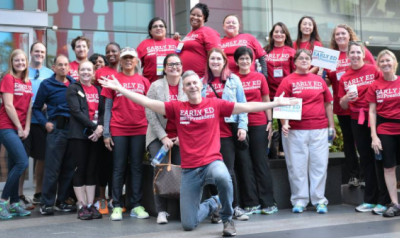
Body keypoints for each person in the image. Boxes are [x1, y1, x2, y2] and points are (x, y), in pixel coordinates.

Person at [98, 70, 296, 237]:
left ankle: (227, 220)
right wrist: (120, 89)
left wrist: (275, 103)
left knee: (223, 177)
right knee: (188, 224)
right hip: (190, 170)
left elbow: (246, 106)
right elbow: (148, 103)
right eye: (188, 84)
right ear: (183, 89)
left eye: (195, 83)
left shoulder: (214, 104)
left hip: (211, 162)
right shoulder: (177, 107)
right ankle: (213, 203)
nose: (192, 86)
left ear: (200, 85)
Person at [276, 49, 335, 214]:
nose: (304, 60)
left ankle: (319, 201)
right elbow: (281, 103)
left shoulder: (319, 80)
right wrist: (284, 123)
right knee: (297, 167)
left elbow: (327, 104)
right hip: (296, 131)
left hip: (320, 129)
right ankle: (299, 200)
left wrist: (331, 126)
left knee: (319, 166)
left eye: (307, 58)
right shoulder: (287, 81)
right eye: (300, 58)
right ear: (295, 62)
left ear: (311, 61)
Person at [338, 42, 390, 215]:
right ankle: (370, 200)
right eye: (351, 53)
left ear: (363, 54)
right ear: (348, 56)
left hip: (378, 117)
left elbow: (385, 86)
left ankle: (384, 200)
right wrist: (345, 97)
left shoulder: (373, 70)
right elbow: (342, 105)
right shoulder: (345, 77)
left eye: (357, 52)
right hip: (357, 119)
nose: (354, 55)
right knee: (366, 159)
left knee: (380, 157)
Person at [101, 47, 150, 221]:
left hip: (140, 129)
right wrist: (106, 133)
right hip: (118, 129)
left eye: (131, 58)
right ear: (120, 61)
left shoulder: (144, 81)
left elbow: (149, 107)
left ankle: (136, 205)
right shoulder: (112, 80)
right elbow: (107, 107)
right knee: (118, 167)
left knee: (137, 167)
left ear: (136, 61)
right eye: (125, 58)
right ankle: (117, 205)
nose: (128, 60)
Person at [202, 48, 249, 221]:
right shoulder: (201, 82)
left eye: (218, 59)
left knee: (228, 172)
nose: (215, 61)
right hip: (208, 135)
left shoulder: (233, 79)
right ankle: (219, 207)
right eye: (212, 58)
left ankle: (234, 206)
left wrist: (242, 126)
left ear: (223, 61)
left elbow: (242, 105)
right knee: (212, 173)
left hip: (227, 132)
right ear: (208, 61)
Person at [327, 24, 375, 188]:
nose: (340, 36)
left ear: (350, 35)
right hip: (343, 105)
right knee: (349, 141)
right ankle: (354, 176)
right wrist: (320, 74)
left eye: (343, 33)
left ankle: (369, 175)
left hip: (365, 107)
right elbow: (327, 81)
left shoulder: (359, 49)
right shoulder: (330, 55)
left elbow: (374, 72)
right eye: (337, 34)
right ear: (334, 38)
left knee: (366, 141)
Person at [233, 46, 277, 215]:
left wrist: (270, 121)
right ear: (236, 61)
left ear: (252, 61)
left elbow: (266, 99)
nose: (245, 61)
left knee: (260, 162)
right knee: (244, 163)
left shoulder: (260, 77)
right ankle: (251, 203)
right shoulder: (232, 78)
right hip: (239, 126)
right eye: (241, 58)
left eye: (247, 58)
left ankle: (268, 202)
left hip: (259, 124)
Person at [33, 55, 77, 215]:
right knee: (52, 168)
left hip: (72, 130)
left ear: (69, 67)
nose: (63, 67)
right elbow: (36, 107)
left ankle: (62, 201)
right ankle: (47, 203)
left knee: (69, 168)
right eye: (60, 65)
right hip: (56, 129)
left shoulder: (74, 84)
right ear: (54, 67)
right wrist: (45, 123)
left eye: (66, 65)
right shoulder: (47, 85)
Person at [146, 53, 187, 224]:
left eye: (177, 64)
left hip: (181, 137)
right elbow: (149, 112)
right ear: (164, 68)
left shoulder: (187, 84)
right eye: (170, 64)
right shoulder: (155, 86)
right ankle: (161, 211)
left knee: (182, 170)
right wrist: (163, 137)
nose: (174, 67)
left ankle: (182, 210)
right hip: (157, 136)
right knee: (160, 169)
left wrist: (180, 137)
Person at [66, 60, 104, 220]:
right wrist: (94, 127)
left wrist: (100, 127)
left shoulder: (98, 89)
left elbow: (103, 111)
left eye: (89, 70)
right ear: (78, 72)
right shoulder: (73, 88)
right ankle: (81, 205)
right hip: (79, 135)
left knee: (91, 170)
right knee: (80, 169)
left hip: (96, 135)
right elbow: (76, 111)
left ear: (93, 72)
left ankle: (90, 204)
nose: (86, 72)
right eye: (83, 70)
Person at [19, 42, 54, 209]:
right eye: (36, 51)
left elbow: (54, 95)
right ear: (30, 52)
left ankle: (38, 193)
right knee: (21, 159)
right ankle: (18, 194)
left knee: (42, 159)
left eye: (42, 51)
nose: (39, 54)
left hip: (41, 122)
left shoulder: (50, 73)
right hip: (22, 123)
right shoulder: (22, 71)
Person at [0, 49, 33, 219]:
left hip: (20, 127)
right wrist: (19, 127)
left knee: (15, 165)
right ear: (12, 62)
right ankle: (2, 201)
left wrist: (26, 128)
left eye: (23, 60)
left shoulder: (27, 81)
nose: (20, 63)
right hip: (6, 126)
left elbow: (28, 108)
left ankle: (13, 203)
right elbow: (8, 106)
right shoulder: (8, 78)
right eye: (17, 60)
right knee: (22, 162)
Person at [367, 50, 400, 218]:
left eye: (388, 60)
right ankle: (395, 203)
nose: (385, 63)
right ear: (378, 65)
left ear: (394, 62)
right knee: (388, 167)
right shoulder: (375, 85)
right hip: (385, 130)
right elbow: (372, 112)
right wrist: (374, 136)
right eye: (382, 61)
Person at [94, 42, 121, 215]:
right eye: (107, 52)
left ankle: (114, 197)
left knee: (117, 164)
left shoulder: (126, 70)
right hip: (105, 114)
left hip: (122, 121)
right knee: (103, 161)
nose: (111, 54)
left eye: (114, 51)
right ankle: (101, 198)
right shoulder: (101, 72)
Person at [264, 22, 296, 156]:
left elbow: (295, 72)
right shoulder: (264, 51)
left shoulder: (291, 51)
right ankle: (268, 151)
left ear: (286, 35)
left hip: (285, 94)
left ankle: (284, 150)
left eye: (282, 32)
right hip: (267, 93)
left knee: (286, 125)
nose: (278, 34)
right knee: (267, 124)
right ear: (272, 34)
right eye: (276, 32)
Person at [179, 3, 220, 78]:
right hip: (185, 78)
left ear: (204, 18)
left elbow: (216, 55)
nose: (195, 17)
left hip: (200, 78)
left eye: (199, 16)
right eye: (193, 14)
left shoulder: (208, 31)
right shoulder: (189, 34)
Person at [137, 17, 178, 84]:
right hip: (150, 84)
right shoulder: (144, 44)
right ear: (150, 31)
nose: (158, 28)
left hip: (173, 84)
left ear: (165, 29)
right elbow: (135, 65)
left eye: (161, 26)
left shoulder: (175, 42)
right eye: (155, 26)